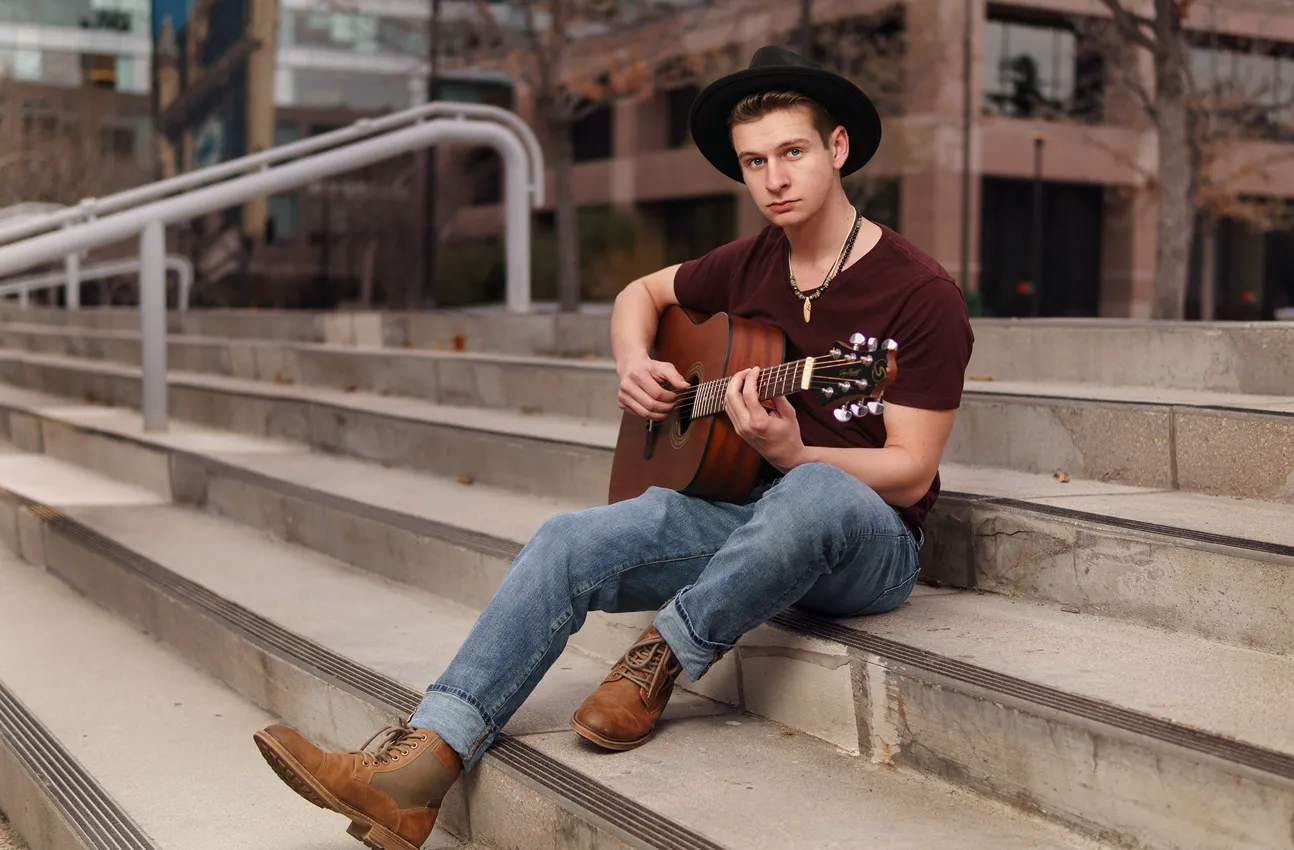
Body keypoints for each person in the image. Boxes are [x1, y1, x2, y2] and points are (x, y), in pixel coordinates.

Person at [252, 46, 973, 850]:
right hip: (743, 511)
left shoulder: (918, 292)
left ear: (837, 149)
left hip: (866, 540)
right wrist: (636, 363)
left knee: (820, 492)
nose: (774, 179)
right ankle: (419, 767)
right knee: (567, 540)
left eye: (793, 153)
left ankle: (661, 657)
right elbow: (641, 294)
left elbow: (910, 475)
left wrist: (801, 452)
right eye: (755, 161)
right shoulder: (750, 262)